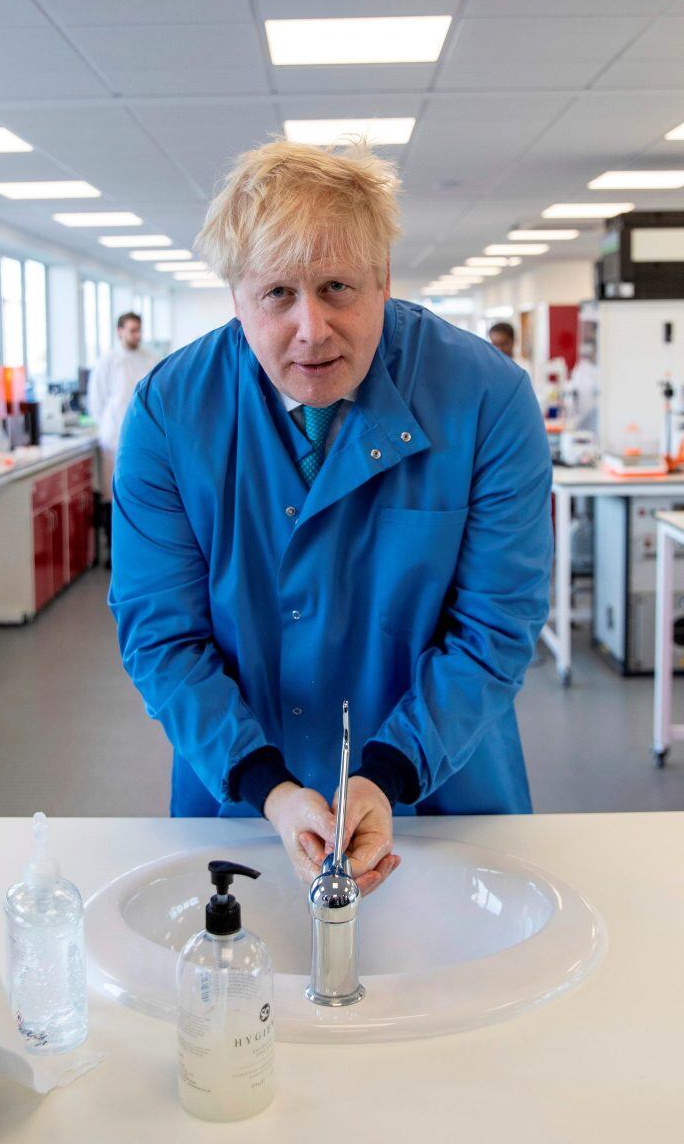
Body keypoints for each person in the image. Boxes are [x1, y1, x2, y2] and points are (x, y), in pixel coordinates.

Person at [109, 141, 552, 898]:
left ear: (383, 280)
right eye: (277, 293)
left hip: (440, 799)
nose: (311, 328)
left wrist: (388, 774)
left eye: (338, 287)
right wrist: (272, 789)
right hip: (243, 804)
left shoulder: (486, 400)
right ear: (236, 296)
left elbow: (497, 626)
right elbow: (161, 635)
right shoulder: (169, 415)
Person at [86, 312, 157, 567]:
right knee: (113, 496)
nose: (136, 335)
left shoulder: (149, 359)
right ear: (119, 331)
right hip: (113, 439)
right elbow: (96, 401)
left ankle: (141, 551)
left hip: (144, 439)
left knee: (143, 492)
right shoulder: (108, 361)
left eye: (139, 330)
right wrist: (109, 425)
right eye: (131, 330)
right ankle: (114, 554)